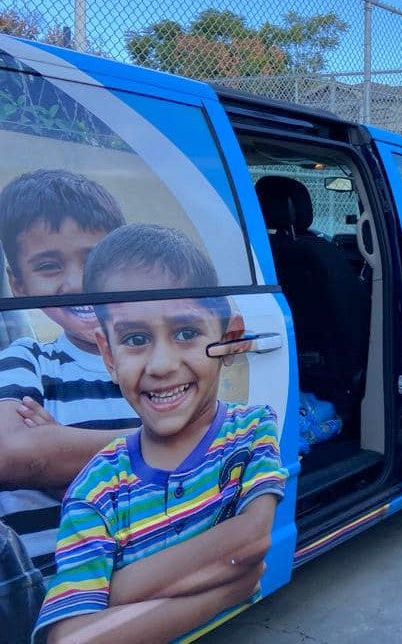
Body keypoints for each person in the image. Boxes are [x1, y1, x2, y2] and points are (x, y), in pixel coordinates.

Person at [33, 224, 288, 643]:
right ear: (108, 355)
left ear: (230, 339)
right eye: (135, 339)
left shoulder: (250, 430)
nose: (163, 364)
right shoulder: (97, 489)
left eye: (186, 333)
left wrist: (108, 595)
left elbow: (249, 542)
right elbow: (70, 638)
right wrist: (230, 587)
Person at [0, 169, 136, 604]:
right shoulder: (27, 359)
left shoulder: (155, 365)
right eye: (48, 266)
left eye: (95, 260)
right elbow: (12, 454)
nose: (78, 283)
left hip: (137, 575)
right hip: (44, 590)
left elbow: (194, 475)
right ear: (18, 284)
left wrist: (57, 453)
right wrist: (161, 445)